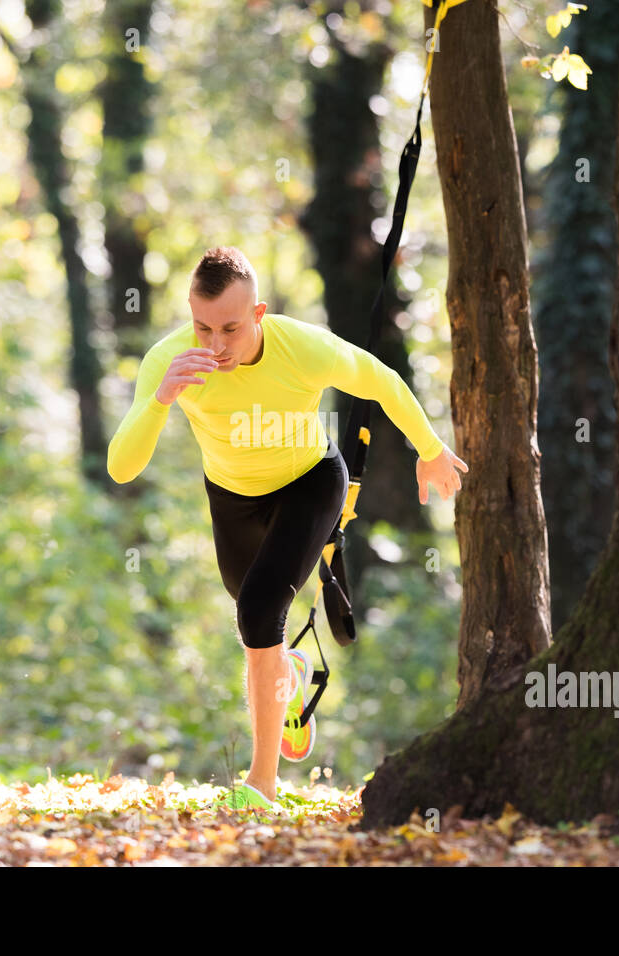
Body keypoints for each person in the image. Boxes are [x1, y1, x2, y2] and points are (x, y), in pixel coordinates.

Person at [107, 246, 467, 810]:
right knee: (255, 619)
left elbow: (383, 380)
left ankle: (261, 785)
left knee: (257, 610)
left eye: (229, 327)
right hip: (231, 498)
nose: (214, 345)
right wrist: (161, 399)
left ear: (259, 313)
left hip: (309, 482)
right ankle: (290, 676)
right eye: (202, 327)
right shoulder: (171, 360)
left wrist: (428, 448)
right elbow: (121, 467)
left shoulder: (301, 347)